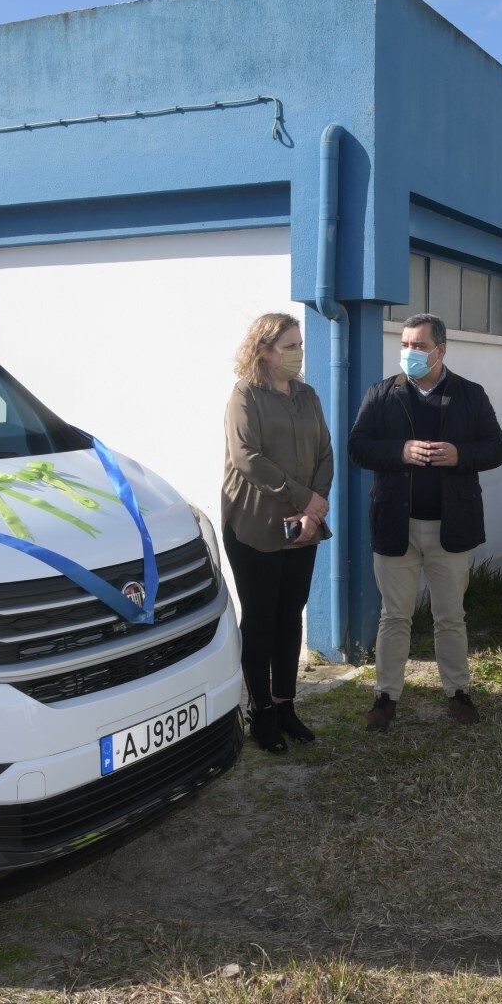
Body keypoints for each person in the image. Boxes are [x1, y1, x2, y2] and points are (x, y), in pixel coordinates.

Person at [349, 313, 502, 731]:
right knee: (394, 616)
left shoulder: (470, 395)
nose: (409, 352)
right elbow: (357, 447)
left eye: (418, 346)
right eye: (405, 344)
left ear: (441, 350)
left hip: (449, 527)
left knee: (450, 616)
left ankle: (458, 692)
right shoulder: (382, 394)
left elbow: (496, 449)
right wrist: (400, 451)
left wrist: (460, 455)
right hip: (395, 525)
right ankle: (386, 696)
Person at [220, 312, 332, 753]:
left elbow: (325, 452)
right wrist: (305, 499)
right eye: (289, 346)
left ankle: (286, 706)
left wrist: (313, 508)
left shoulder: (307, 395)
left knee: (290, 616)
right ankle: (260, 712)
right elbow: (247, 458)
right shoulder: (245, 395)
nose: (298, 353)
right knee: (261, 618)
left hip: (303, 524)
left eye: (299, 344)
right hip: (254, 524)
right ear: (264, 350)